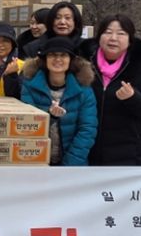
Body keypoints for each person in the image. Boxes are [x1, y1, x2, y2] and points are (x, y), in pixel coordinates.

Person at [78, 15, 141, 166]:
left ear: (130, 40)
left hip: (128, 156)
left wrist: (133, 98)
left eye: (121, 33)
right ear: (99, 37)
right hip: (86, 153)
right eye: (107, 32)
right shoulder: (82, 66)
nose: (113, 38)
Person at [21, 36, 97, 166]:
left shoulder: (84, 90)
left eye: (63, 55)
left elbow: (87, 130)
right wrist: (49, 116)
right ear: (45, 59)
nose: (57, 59)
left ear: (71, 60)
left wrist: (69, 165)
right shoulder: (30, 86)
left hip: (73, 165)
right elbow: (26, 124)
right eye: (52, 55)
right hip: (36, 161)